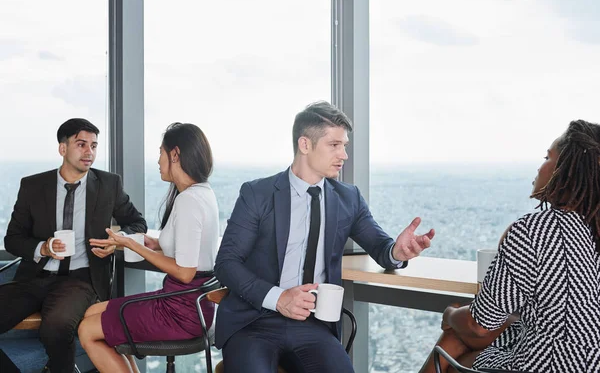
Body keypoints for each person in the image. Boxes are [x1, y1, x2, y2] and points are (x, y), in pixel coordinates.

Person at [214, 101, 435, 373]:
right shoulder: (257, 194)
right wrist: (279, 298)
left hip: (313, 324)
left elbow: (380, 246)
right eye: (334, 145)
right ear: (305, 145)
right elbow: (226, 263)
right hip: (254, 322)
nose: (343, 155)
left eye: (345, 146)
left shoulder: (348, 198)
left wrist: (396, 253)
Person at [420, 119, 600, 373]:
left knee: (450, 349)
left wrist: (449, 314)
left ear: (566, 170)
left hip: (547, 365)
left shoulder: (534, 230)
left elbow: (478, 325)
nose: (540, 168)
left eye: (547, 158)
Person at [0, 118, 147, 373]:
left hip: (80, 279)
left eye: (94, 145)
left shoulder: (109, 185)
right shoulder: (33, 186)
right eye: (81, 144)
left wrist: (116, 240)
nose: (89, 152)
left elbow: (137, 223)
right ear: (63, 148)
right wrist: (42, 248)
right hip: (34, 277)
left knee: (56, 327)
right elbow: (12, 239)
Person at [78, 122, 220, 373]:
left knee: (87, 330)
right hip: (193, 304)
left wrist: (132, 244)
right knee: (92, 313)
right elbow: (188, 249)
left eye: (160, 152)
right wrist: (143, 243)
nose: (157, 160)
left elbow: (185, 272)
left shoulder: (188, 201)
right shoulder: (202, 193)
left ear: (175, 154)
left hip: (180, 310)